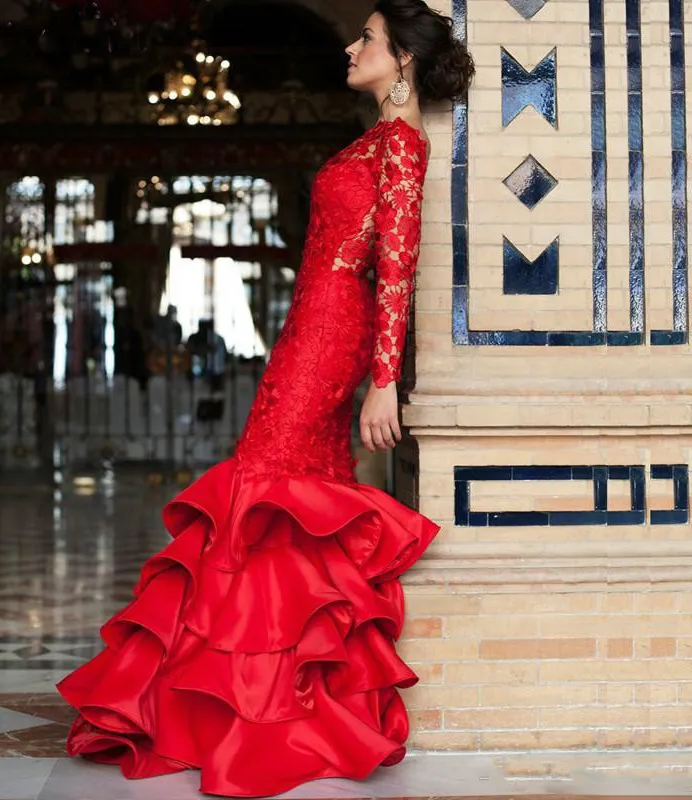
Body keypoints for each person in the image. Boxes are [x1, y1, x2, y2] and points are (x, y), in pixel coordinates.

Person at [56, 1, 475, 795]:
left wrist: (384, 380)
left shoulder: (403, 147)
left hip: (334, 334)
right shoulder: (372, 141)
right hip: (308, 328)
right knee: (285, 504)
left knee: (262, 490)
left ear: (404, 62)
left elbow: (399, 267)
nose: (352, 47)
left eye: (369, 40)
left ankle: (248, 708)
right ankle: (278, 702)